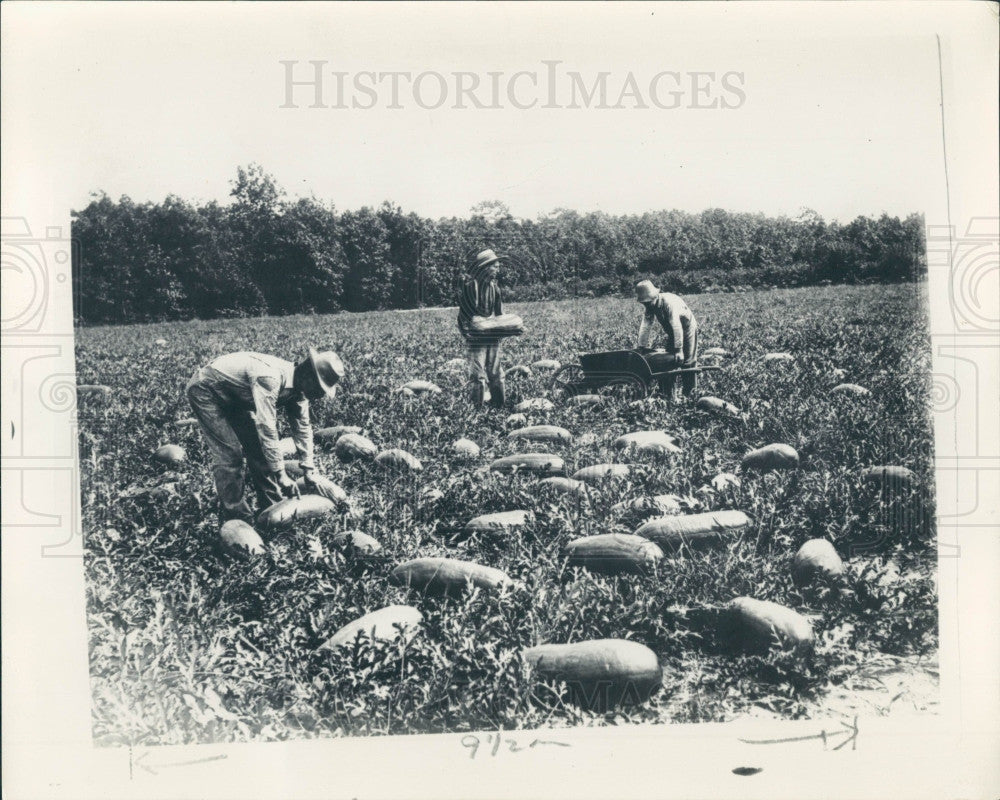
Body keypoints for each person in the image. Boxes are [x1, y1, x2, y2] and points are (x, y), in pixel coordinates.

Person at [186, 348, 344, 522]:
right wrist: (281, 474)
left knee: (259, 452)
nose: (321, 395)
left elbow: (303, 428)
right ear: (308, 376)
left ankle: (271, 508)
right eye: (320, 387)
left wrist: (308, 468)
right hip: (206, 390)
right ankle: (236, 516)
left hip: (235, 396)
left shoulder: (299, 391)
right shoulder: (269, 378)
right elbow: (267, 428)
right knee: (230, 454)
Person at [457, 248, 506, 408]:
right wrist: (467, 334)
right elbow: (463, 315)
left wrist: (504, 329)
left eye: (498, 266)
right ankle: (476, 408)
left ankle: (499, 405)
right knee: (477, 376)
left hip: (492, 335)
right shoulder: (471, 287)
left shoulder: (495, 288)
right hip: (476, 338)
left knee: (496, 373)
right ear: (485, 268)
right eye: (495, 267)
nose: (497, 270)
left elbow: (499, 313)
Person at [634, 279, 699, 398]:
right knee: (670, 360)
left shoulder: (668, 302)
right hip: (673, 332)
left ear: (654, 296)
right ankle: (670, 394)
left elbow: (676, 325)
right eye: (644, 303)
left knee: (688, 362)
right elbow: (645, 326)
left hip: (686, 327)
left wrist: (679, 349)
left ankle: (690, 394)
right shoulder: (650, 306)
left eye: (648, 302)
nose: (646, 305)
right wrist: (641, 347)